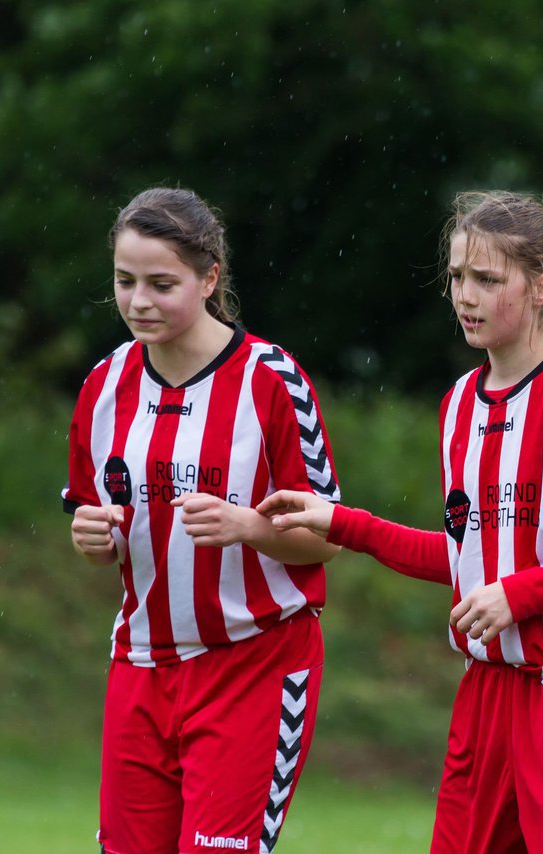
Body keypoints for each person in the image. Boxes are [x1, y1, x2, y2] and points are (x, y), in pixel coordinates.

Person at [256, 190, 543, 853]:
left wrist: (523, 596)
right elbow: (470, 562)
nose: (465, 295)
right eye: (457, 277)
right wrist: (342, 523)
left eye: (487, 279)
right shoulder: (458, 404)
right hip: (484, 696)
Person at [62, 187, 341, 854]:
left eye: (162, 284)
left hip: (253, 662)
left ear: (209, 277)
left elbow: (326, 540)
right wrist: (91, 540)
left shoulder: (272, 382)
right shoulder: (105, 385)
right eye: (125, 282)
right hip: (141, 665)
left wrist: (249, 527)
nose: (138, 302)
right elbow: (98, 536)